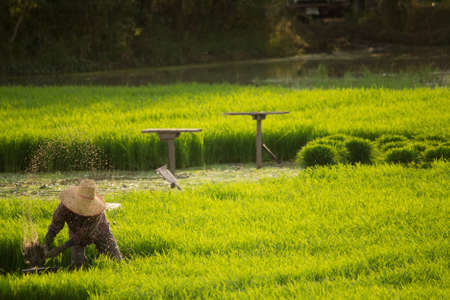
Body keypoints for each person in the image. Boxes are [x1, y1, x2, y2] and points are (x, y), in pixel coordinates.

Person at [44, 179, 122, 270]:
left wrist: (60, 249)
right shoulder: (65, 206)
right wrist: (46, 242)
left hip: (101, 229)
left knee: (117, 261)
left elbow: (83, 234)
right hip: (75, 230)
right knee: (77, 266)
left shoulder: (96, 212)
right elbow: (55, 225)